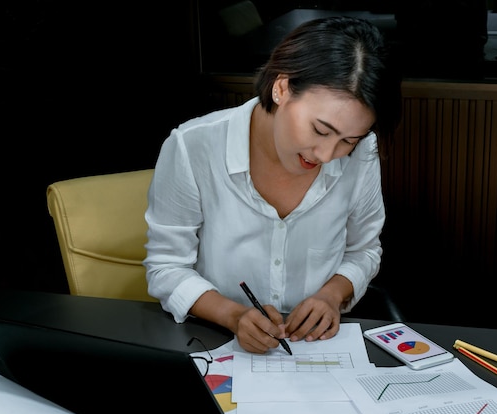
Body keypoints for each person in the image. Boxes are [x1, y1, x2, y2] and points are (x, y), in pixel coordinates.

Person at [143, 16, 402, 354]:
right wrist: (234, 315)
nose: (327, 154)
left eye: (348, 140)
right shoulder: (192, 147)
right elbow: (166, 268)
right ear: (281, 88)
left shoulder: (362, 154)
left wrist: (331, 295)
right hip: (212, 343)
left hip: (315, 347)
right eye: (320, 130)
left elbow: (363, 250)